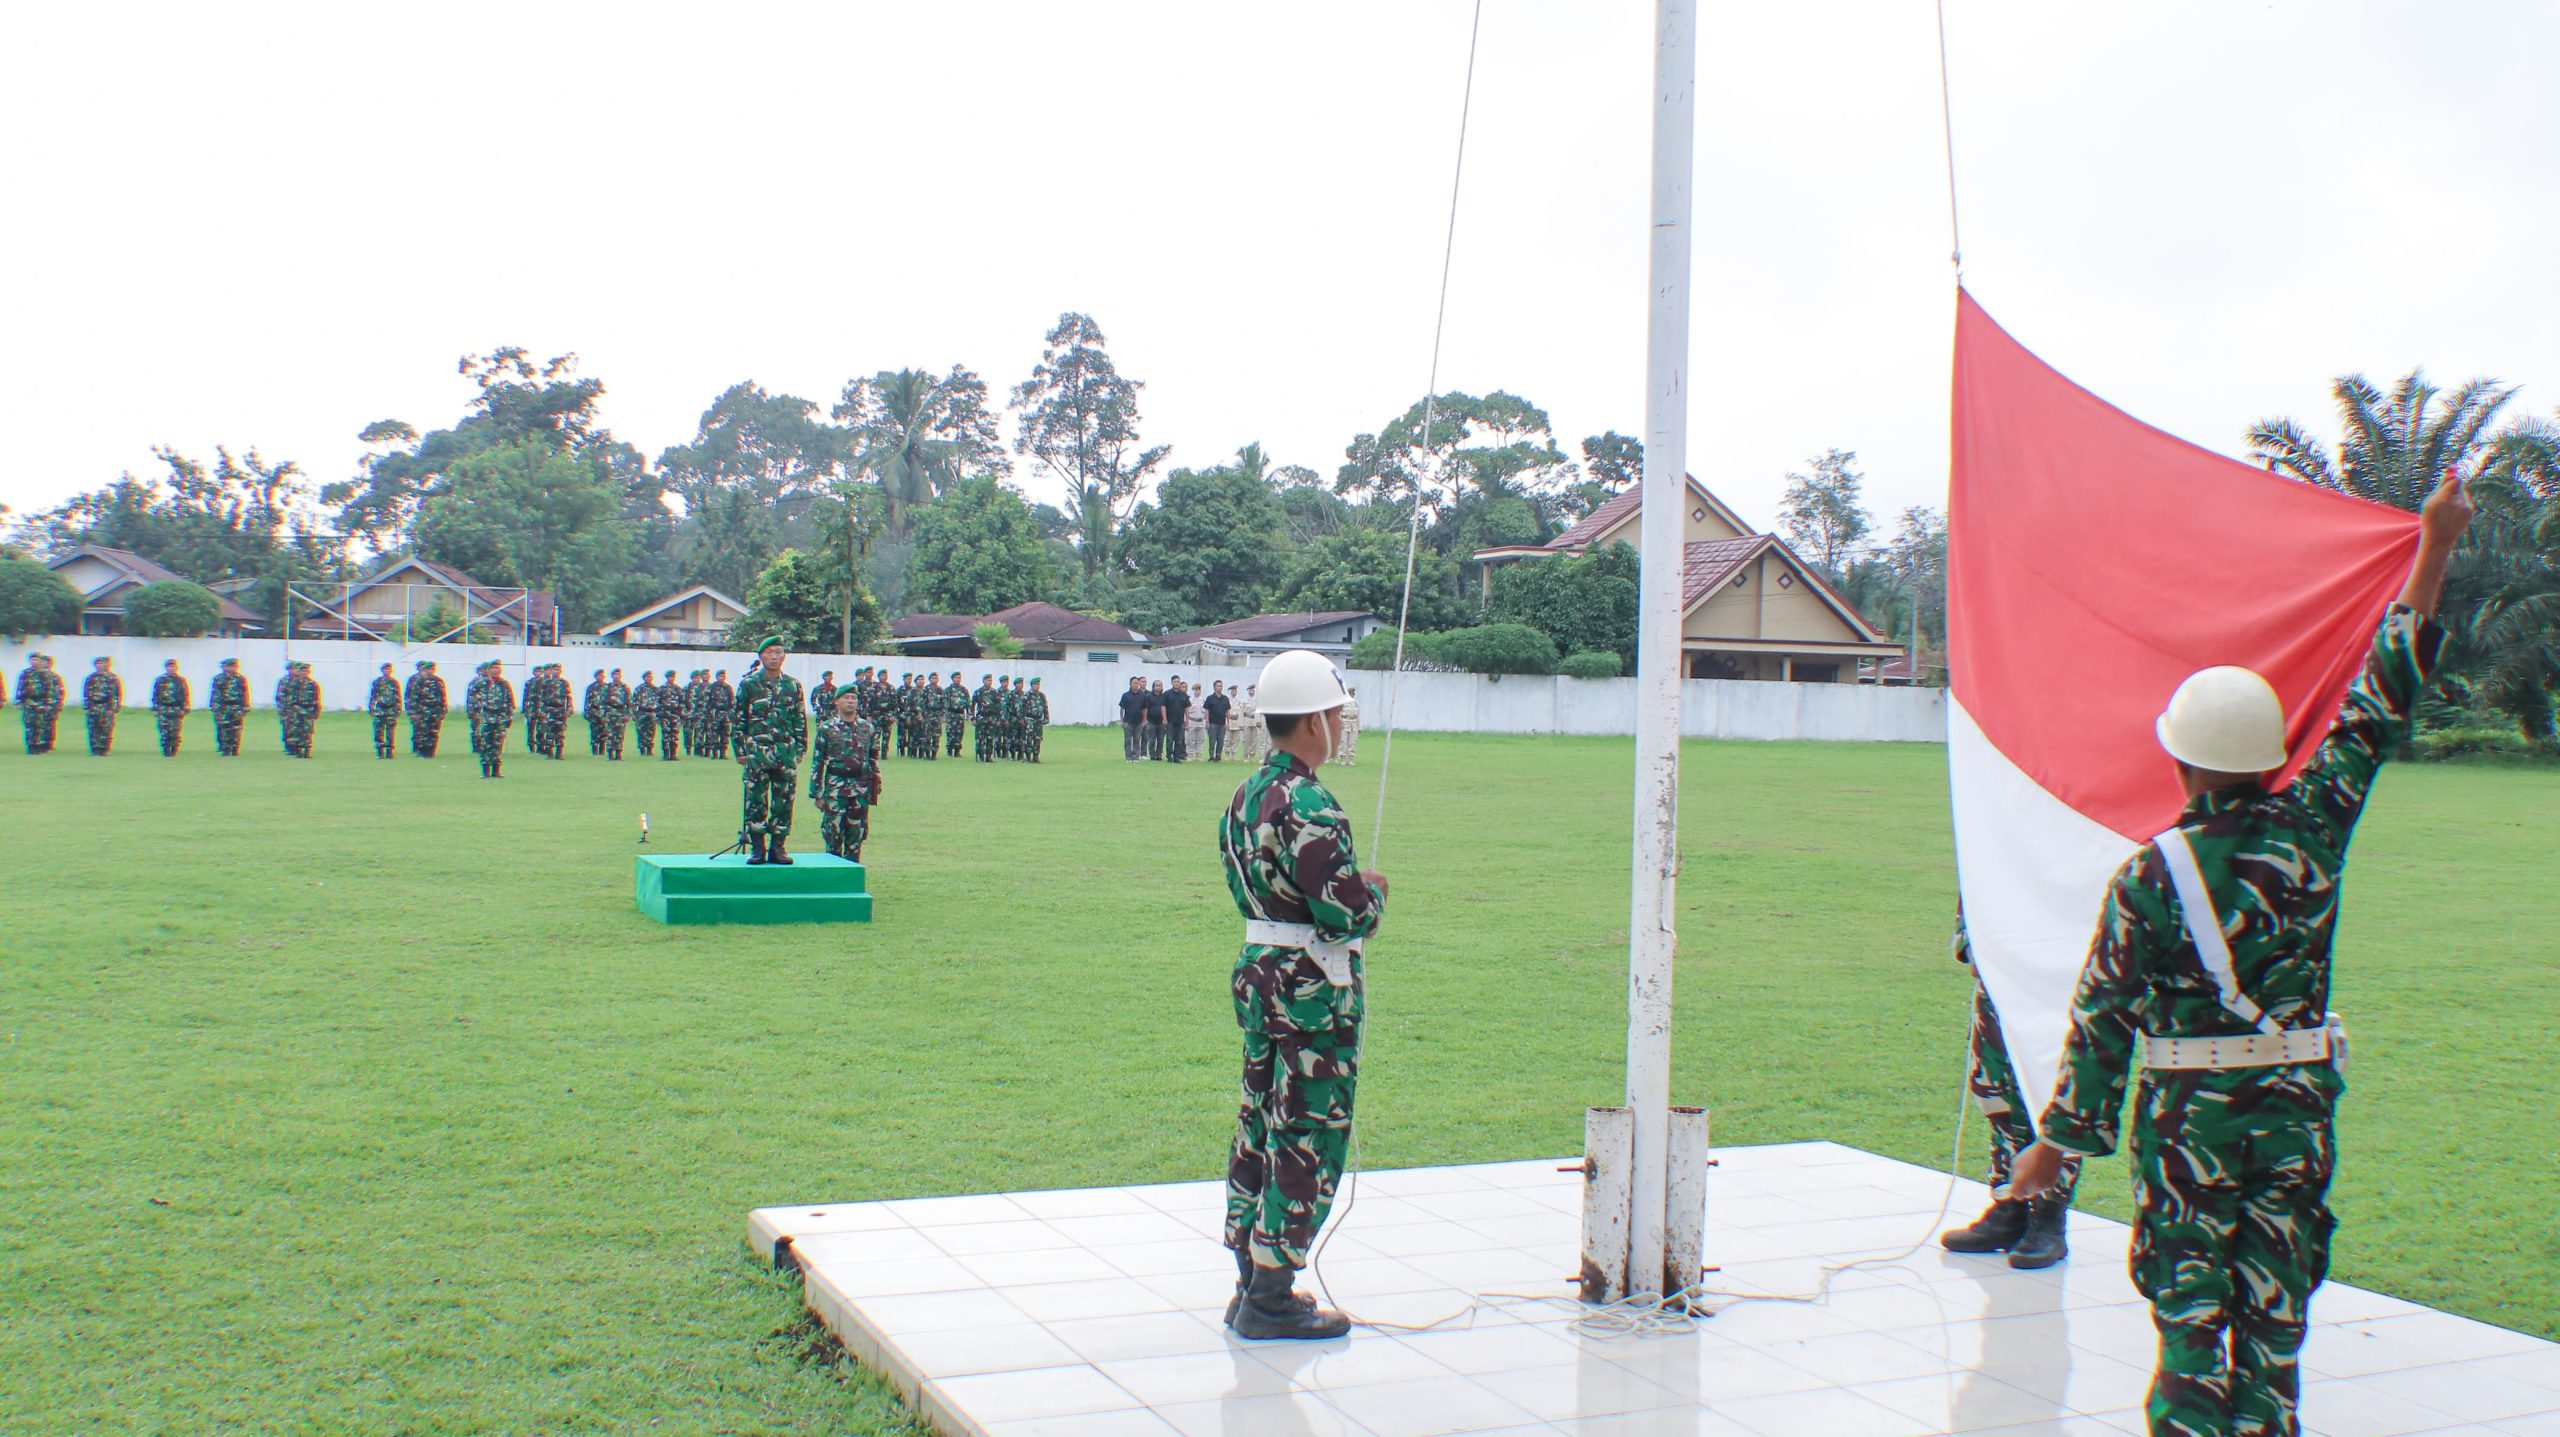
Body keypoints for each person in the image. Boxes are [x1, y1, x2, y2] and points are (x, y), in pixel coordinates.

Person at [2010, 470, 2474, 1437]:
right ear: (2269, 755)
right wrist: (2436, 543)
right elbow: (2383, 692)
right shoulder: (2315, 826)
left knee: (2191, 1321)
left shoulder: (2150, 876)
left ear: (2178, 758)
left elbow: (2100, 1024)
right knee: (2275, 1319)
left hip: (2190, 1129)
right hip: (2296, 1119)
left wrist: (2053, 1148)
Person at [1217, 649, 1387, 1341]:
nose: (1341, 729)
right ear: (1316, 721)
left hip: (1261, 971)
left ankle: (1248, 1276)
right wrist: (1371, 891)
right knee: (1306, 1132)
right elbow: (1346, 913)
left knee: (1260, 1117)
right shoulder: (1310, 800)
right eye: (1338, 716)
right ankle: (1272, 1292)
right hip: (1310, 989)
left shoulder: (1246, 793)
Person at [1940, 911, 2079, 1268]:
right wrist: (1971, 945)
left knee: (2053, 1092)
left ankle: (2049, 1216)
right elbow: (1978, 880)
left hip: (2061, 973)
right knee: (1994, 1086)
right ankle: (2009, 1205)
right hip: (2002, 966)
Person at [733, 638, 808, 864]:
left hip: (785, 752)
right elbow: (738, 718)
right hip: (757, 752)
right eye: (770, 652)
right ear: (761, 657)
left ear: (783, 657)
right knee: (755, 798)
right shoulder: (749, 684)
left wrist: (800, 747)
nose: (775, 656)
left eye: (779, 652)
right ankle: (757, 848)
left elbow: (799, 718)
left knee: (784, 799)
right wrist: (740, 748)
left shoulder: (793, 685)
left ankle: (778, 847)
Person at [808, 686, 883, 861]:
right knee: (833, 834)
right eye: (846, 698)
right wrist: (817, 793)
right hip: (836, 788)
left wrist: (875, 785)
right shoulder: (826, 728)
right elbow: (818, 762)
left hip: (860, 788)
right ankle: (832, 879)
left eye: (853, 698)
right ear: (837, 702)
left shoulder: (868, 728)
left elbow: (873, 759)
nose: (851, 701)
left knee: (856, 836)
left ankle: (852, 878)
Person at [466, 660, 515, 778]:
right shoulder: (481, 683)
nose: (496, 670)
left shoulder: (504, 684)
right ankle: (486, 771)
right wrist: (473, 714)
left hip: (500, 717)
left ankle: (496, 770)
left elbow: (510, 701)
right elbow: (472, 700)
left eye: (498, 667)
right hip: (486, 717)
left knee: (498, 744)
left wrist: (509, 717)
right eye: (493, 667)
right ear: (488, 670)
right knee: (486, 744)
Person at [15, 653, 64, 754]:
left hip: (42, 702)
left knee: (41, 724)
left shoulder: (46, 674)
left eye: (36, 660)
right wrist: (19, 700)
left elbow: (50, 689)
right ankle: (31, 745)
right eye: (32, 660)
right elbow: (20, 687)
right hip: (29, 702)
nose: (34, 662)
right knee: (29, 724)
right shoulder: (25, 673)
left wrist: (50, 704)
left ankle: (41, 745)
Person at [277, 660, 320, 757]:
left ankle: (307, 750)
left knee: (308, 730)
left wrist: (316, 711)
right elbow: (287, 697)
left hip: (308, 710)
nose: (304, 673)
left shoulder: (313, 684)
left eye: (307, 671)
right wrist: (290, 708)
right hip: (295, 710)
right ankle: (296, 749)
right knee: (294, 730)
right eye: (302, 671)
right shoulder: (293, 683)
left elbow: (317, 698)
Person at [405, 661, 446, 757]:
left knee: (434, 732)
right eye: (429, 669)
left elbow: (443, 696)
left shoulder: (438, 681)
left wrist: (443, 710)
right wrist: (413, 712)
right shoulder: (419, 681)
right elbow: (413, 697)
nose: (431, 671)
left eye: (433, 669)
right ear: (425, 670)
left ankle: (431, 752)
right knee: (423, 732)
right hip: (422, 711)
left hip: (435, 711)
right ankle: (422, 752)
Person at [151, 659, 190, 757]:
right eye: (169, 667)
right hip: (163, 708)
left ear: (176, 668)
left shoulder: (181, 680)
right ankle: (166, 750)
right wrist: (155, 708)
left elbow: (186, 695)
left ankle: (174, 749)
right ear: (166, 668)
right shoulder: (160, 680)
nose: (171, 668)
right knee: (164, 731)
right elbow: (155, 695)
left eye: (173, 666)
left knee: (175, 731)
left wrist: (185, 708)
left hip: (176, 709)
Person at [210, 658, 249, 756]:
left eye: (235, 666)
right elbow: (215, 694)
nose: (233, 668)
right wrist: (215, 708)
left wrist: (245, 706)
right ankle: (225, 749)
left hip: (237, 707)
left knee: (236, 729)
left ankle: (235, 748)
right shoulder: (219, 678)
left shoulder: (241, 679)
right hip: (223, 707)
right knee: (224, 728)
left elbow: (245, 693)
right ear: (226, 667)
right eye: (230, 666)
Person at [83, 657, 121, 755]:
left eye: (103, 663)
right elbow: (86, 693)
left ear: (108, 665)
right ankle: (95, 748)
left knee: (106, 728)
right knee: (93, 728)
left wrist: (116, 706)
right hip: (93, 706)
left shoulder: (112, 678)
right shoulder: (91, 678)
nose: (100, 665)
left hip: (107, 706)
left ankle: (104, 748)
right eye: (98, 663)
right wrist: (86, 707)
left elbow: (117, 693)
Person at [369, 663, 403, 759]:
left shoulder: (395, 683)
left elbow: (398, 696)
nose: (387, 671)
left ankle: (389, 752)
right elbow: (373, 696)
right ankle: (379, 751)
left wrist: (399, 709)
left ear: (391, 671)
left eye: (389, 669)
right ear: (382, 671)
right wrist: (371, 708)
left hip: (391, 711)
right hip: (380, 710)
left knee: (390, 732)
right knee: (378, 731)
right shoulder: (377, 682)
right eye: (385, 669)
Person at [602, 668, 632, 759]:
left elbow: (629, 702)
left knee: (620, 734)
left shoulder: (625, 687)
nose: (616, 676)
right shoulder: (607, 687)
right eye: (615, 674)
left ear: (621, 675)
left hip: (621, 713)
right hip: (610, 712)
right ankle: (610, 753)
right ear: (612, 676)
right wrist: (603, 714)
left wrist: (628, 714)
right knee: (610, 734)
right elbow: (603, 701)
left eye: (618, 674)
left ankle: (618, 753)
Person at [1235, 683, 1264, 767]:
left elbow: (1259, 712)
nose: (1251, 692)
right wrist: (1240, 723)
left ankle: (1252, 755)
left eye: (1253, 690)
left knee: (1254, 740)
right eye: (1250, 690)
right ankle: (1246, 756)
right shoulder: (1244, 700)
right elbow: (1241, 713)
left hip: (1255, 720)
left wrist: (1260, 722)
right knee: (1246, 739)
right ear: (1248, 691)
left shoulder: (1257, 700)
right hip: (1247, 720)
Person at [1118, 676, 1147, 762]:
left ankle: (1136, 757)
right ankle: (1128, 757)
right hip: (1128, 722)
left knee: (1137, 740)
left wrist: (1144, 720)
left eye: (1137, 683)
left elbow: (1145, 708)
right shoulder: (1125, 695)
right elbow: (1122, 708)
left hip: (1138, 722)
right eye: (1134, 683)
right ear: (1130, 684)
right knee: (1128, 740)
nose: (1136, 685)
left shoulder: (1142, 696)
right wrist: (1122, 720)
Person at [1163, 678, 1193, 762]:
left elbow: (1187, 708)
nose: (1177, 683)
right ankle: (1169, 756)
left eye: (1178, 682)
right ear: (1172, 683)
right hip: (1170, 721)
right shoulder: (1167, 694)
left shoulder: (1184, 695)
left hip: (1180, 722)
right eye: (1175, 682)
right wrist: (1164, 718)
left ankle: (1177, 757)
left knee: (1179, 741)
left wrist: (1187, 719)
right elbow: (1163, 707)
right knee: (1169, 740)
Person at [657, 669, 683, 761]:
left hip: (675, 715)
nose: (671, 678)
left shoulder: (678, 689)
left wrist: (681, 715)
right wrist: (659, 716)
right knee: (665, 735)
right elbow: (657, 703)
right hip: (665, 715)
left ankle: (673, 754)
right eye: (670, 677)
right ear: (667, 677)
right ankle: (666, 754)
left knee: (674, 735)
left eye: (673, 676)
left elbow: (682, 702)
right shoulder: (661, 689)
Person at [1204, 680, 1232, 762]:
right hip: (1212, 723)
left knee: (1221, 741)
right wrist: (1207, 722)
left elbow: (1227, 711)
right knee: (1212, 741)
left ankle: (1218, 756)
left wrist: (1228, 723)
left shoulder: (1225, 698)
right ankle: (1211, 756)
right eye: (1218, 686)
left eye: (1221, 686)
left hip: (1222, 724)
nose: (1220, 687)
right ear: (1214, 687)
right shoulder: (1210, 698)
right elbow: (1207, 711)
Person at [634, 672, 660, 757]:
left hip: (652, 712)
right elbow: (634, 702)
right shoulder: (639, 689)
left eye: (650, 677)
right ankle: (642, 749)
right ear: (644, 678)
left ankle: (649, 749)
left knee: (651, 731)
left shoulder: (656, 689)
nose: (648, 678)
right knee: (641, 731)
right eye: (647, 677)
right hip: (642, 712)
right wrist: (634, 714)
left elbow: (659, 702)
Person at [945, 670, 969, 758]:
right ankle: (949, 750)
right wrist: (945, 715)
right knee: (950, 732)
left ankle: (957, 751)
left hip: (960, 714)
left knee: (960, 732)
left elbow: (967, 702)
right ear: (952, 679)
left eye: (959, 678)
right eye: (956, 678)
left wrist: (968, 714)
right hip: (951, 714)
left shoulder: (964, 690)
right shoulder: (948, 690)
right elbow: (945, 703)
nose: (957, 679)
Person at [584, 670, 608, 756]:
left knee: (604, 732)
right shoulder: (591, 687)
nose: (600, 677)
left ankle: (602, 750)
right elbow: (587, 700)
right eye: (598, 675)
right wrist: (586, 711)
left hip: (604, 712)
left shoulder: (607, 687)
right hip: (594, 712)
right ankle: (594, 750)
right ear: (595, 676)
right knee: (594, 731)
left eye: (602, 675)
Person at [1025, 677, 1049, 762]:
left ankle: (1036, 756)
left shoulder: (1041, 695)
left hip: (1038, 720)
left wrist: (1046, 718)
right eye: (1035, 684)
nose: (1037, 686)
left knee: (1038, 739)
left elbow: (1045, 707)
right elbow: (1021, 708)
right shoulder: (1027, 695)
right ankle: (1028, 757)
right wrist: (1022, 719)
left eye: (1038, 684)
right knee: (1028, 739)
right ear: (1031, 685)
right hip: (1030, 719)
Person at [1337, 685, 1360, 766]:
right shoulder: (1343, 703)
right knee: (1343, 741)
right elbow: (1338, 714)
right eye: (1351, 693)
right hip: (1344, 722)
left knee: (1352, 742)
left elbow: (1358, 716)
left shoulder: (1356, 703)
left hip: (1353, 723)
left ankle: (1350, 759)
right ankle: (1343, 759)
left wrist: (1359, 727)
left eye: (1353, 693)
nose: (1353, 694)